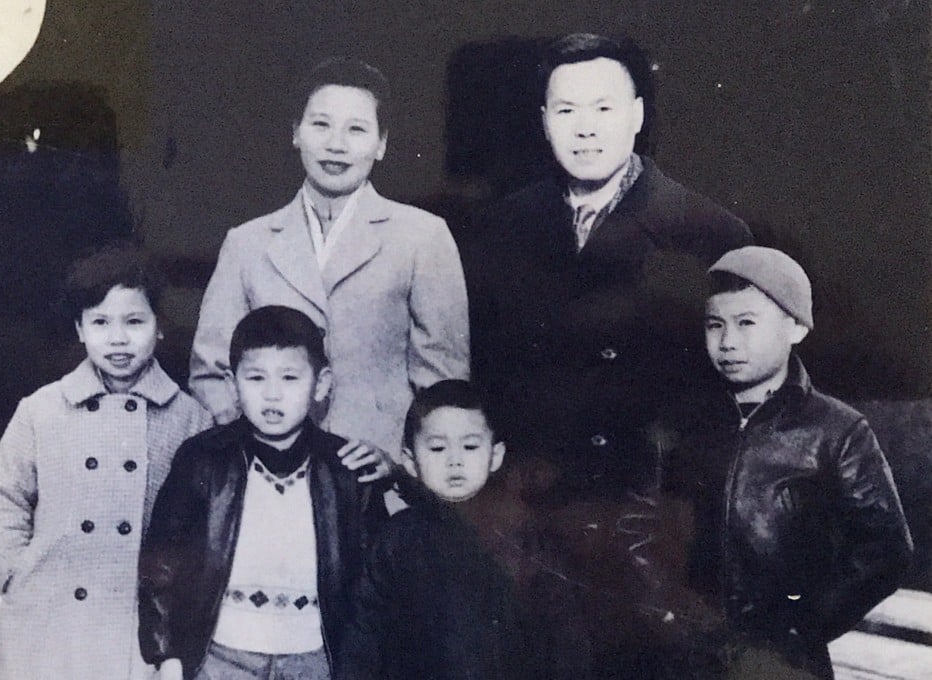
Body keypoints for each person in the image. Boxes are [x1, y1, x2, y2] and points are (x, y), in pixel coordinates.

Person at [462, 33, 753, 676]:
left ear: (639, 116)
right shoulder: (501, 229)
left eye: (603, 108)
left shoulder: (708, 232)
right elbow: (483, 376)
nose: (585, 129)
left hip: (650, 536)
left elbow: (724, 412)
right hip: (535, 531)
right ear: (542, 121)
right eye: (565, 110)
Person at [189, 56, 469, 470]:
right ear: (296, 133)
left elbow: (443, 384)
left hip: (381, 471)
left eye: (356, 129)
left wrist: (405, 466)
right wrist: (253, 446)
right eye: (320, 124)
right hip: (266, 472)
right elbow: (209, 370)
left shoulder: (423, 237)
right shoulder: (246, 244)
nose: (336, 144)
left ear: (381, 143)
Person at [666, 246, 913, 678]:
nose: (727, 342)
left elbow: (886, 550)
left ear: (796, 327)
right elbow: (650, 524)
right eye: (715, 325)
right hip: (686, 661)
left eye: (746, 323)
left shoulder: (837, 430)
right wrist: (663, 609)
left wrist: (802, 628)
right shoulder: (689, 426)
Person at [0, 243, 212, 679]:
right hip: (48, 619)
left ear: (159, 328)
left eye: (134, 321)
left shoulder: (190, 419)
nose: (118, 338)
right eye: (101, 322)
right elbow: (3, 497)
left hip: (134, 628)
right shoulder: (42, 410)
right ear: (80, 329)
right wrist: (14, 572)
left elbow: (199, 527)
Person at [139, 305, 385, 680]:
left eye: (289, 378)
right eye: (256, 378)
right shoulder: (203, 458)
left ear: (321, 384)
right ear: (232, 381)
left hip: (315, 659)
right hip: (221, 657)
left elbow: (377, 581)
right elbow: (162, 565)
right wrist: (166, 655)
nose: (272, 395)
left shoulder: (346, 469)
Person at [342, 380, 523, 679]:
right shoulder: (396, 539)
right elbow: (364, 635)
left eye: (470, 446)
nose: (455, 460)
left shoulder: (518, 536)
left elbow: (558, 639)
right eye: (438, 448)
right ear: (411, 462)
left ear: (496, 455)